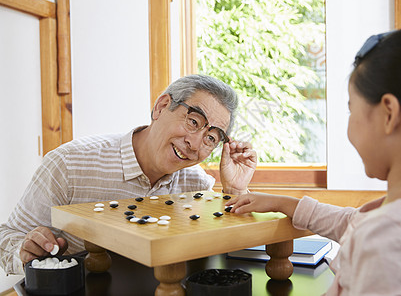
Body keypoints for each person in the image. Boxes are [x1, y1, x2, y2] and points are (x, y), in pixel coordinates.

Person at [227, 26, 401, 295]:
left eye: (351, 109)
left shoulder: (389, 239)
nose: (349, 127)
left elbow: (368, 230)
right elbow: (351, 222)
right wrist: (282, 202)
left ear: (389, 114)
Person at [0, 74, 257, 275]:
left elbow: (228, 260)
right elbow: (8, 234)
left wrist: (235, 190)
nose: (195, 143)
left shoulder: (197, 184)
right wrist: (24, 251)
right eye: (193, 121)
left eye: (211, 138)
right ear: (161, 106)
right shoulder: (69, 163)